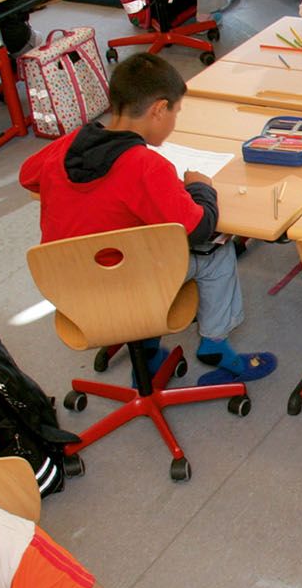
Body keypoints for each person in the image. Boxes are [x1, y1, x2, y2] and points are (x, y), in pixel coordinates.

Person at [18, 52, 274, 385]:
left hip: (73, 289)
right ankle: (215, 345)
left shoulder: (65, 147)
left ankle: (150, 354)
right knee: (217, 252)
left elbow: (28, 176)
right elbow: (199, 228)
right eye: (175, 112)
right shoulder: (146, 167)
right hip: (135, 287)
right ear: (158, 110)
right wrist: (201, 189)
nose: (174, 120)